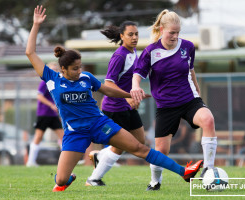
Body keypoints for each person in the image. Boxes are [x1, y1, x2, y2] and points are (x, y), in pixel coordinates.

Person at [26, 5, 203, 192]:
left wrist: (131, 94)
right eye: (75, 69)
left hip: (99, 123)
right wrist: (36, 25)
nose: (79, 71)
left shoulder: (86, 77)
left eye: (80, 67)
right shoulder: (52, 79)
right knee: (60, 181)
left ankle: (184, 172)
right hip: (75, 132)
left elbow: (108, 90)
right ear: (63, 69)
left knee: (139, 147)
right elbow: (30, 53)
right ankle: (68, 177)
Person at [130, 9, 217, 191]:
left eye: (178, 32)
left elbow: (190, 70)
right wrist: (135, 86)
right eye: (172, 32)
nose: (175, 36)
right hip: (166, 106)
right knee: (161, 151)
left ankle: (208, 170)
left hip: (189, 100)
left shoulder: (188, 46)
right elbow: (138, 74)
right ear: (162, 30)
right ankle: (155, 182)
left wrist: (198, 91)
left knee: (208, 119)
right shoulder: (151, 52)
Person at [86, 21, 146, 186]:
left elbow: (132, 79)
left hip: (126, 106)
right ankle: (93, 179)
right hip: (114, 108)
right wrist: (127, 97)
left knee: (140, 141)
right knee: (120, 146)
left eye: (136, 34)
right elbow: (108, 83)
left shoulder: (134, 52)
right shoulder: (119, 56)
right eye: (130, 34)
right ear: (122, 36)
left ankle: (100, 156)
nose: (134, 38)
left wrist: (134, 96)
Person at [26, 62, 64, 167]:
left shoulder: (57, 83)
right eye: (52, 69)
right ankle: (30, 162)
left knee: (63, 137)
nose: (55, 70)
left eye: (56, 69)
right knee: (38, 137)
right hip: (43, 114)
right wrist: (51, 105)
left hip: (53, 115)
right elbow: (39, 96)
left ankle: (66, 161)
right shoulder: (45, 82)